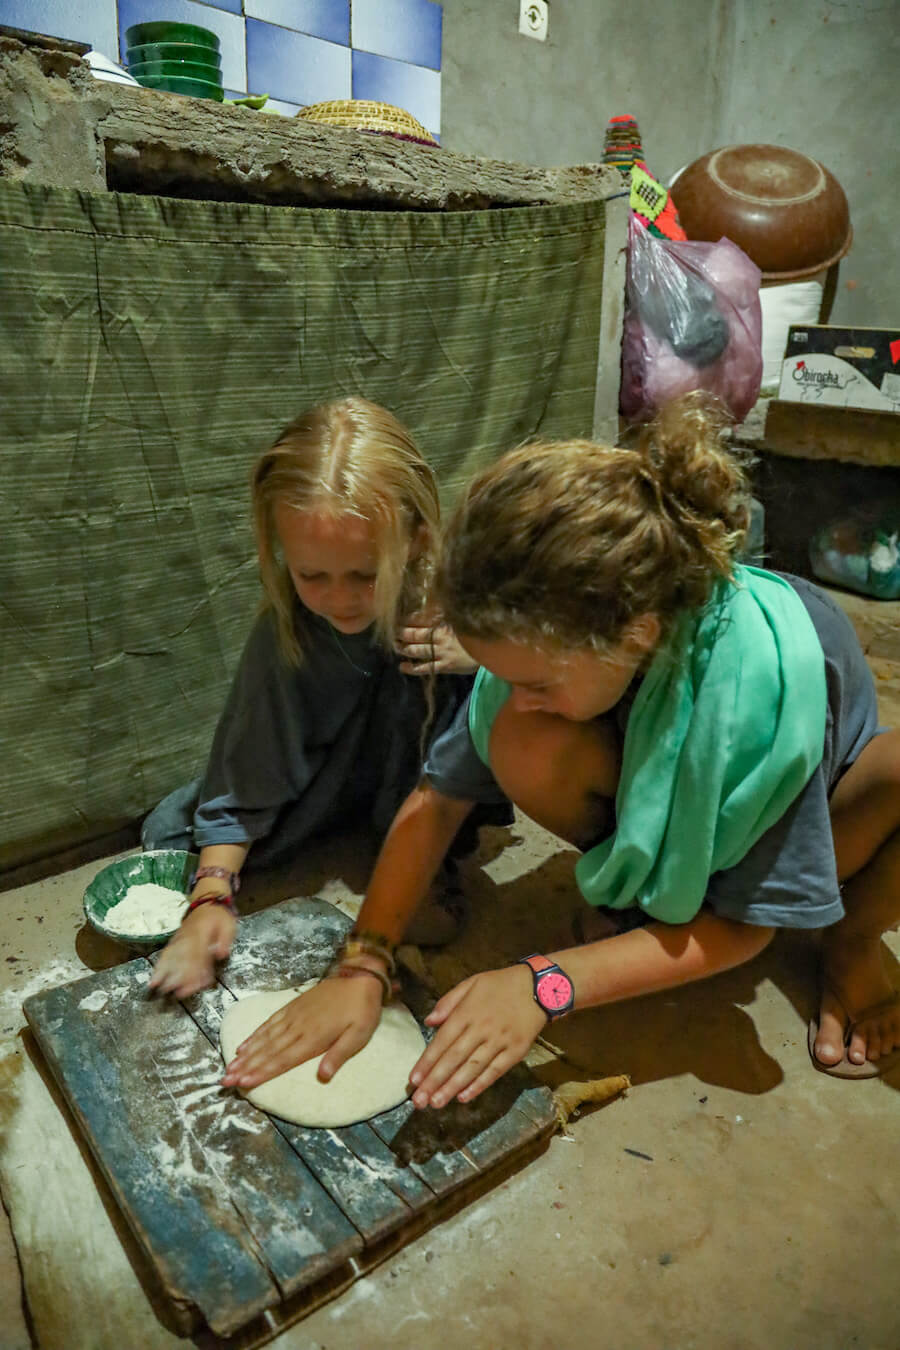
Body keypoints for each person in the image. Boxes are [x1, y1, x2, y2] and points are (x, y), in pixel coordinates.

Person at [221, 392, 900, 1099]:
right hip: (653, 756)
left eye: (536, 681)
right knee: (521, 741)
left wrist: (543, 985)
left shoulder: (764, 687)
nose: (518, 698)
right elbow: (438, 799)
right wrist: (363, 961)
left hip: (833, 812)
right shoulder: (570, 640)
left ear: (634, 635)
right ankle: (646, 899)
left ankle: (851, 941)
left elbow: (738, 929)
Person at [149, 397, 507, 1000]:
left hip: (423, 790)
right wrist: (210, 894)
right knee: (177, 836)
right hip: (319, 785)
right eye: (312, 575)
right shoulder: (289, 630)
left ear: (418, 538)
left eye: (366, 575)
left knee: (439, 670)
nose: (339, 599)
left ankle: (423, 860)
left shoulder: (456, 605)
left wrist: (485, 658)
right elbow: (249, 757)